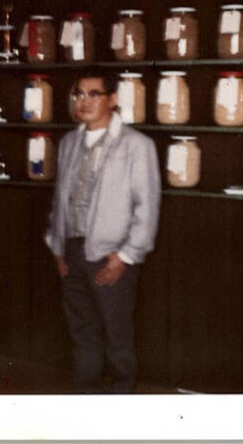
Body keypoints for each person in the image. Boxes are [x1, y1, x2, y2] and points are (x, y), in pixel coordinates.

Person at [44, 68, 161, 393]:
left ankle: (120, 398)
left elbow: (146, 208)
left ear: (112, 100)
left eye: (93, 94)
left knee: (117, 334)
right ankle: (87, 400)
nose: (84, 101)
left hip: (111, 257)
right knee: (83, 333)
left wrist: (126, 256)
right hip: (72, 254)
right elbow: (60, 200)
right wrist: (57, 247)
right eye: (79, 94)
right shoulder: (69, 142)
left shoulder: (137, 146)